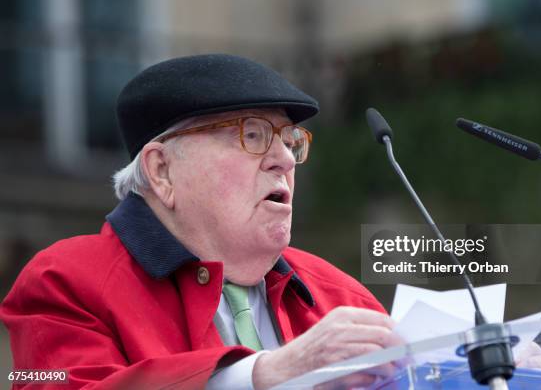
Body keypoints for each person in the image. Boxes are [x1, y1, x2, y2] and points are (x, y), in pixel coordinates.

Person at [1, 54, 401, 389]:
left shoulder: (342, 298)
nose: (284, 159)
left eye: (289, 139)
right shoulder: (63, 282)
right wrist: (264, 375)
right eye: (253, 135)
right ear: (161, 171)